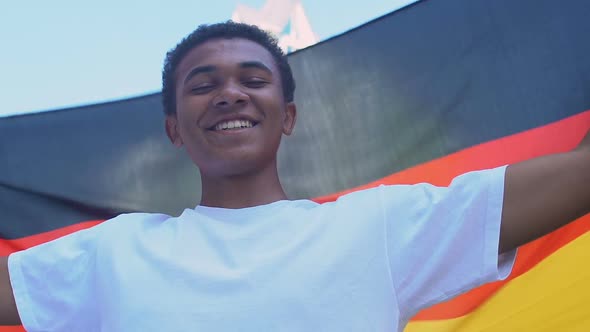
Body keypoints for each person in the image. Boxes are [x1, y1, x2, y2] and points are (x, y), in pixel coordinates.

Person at [0, 21, 588, 332]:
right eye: (202, 85)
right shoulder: (113, 252)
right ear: (175, 128)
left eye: (253, 81)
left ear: (288, 116)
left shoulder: (378, 227)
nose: (229, 94)